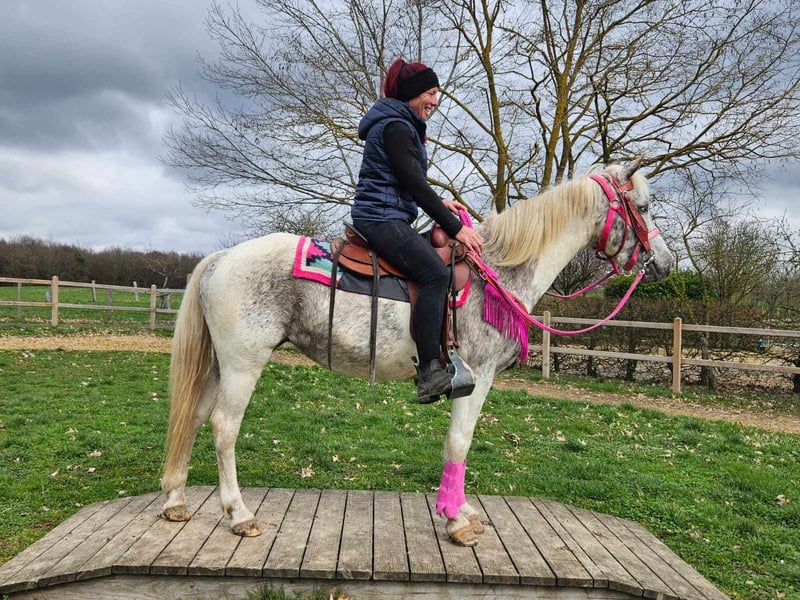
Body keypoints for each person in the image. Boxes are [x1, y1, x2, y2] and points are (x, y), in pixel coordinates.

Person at [351, 58, 484, 403]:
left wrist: (441, 200)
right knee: (435, 275)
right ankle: (429, 371)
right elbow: (413, 183)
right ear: (412, 93)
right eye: (431, 93)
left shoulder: (398, 123)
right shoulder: (396, 127)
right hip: (381, 218)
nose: (435, 101)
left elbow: (403, 180)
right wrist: (457, 229)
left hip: (387, 214)